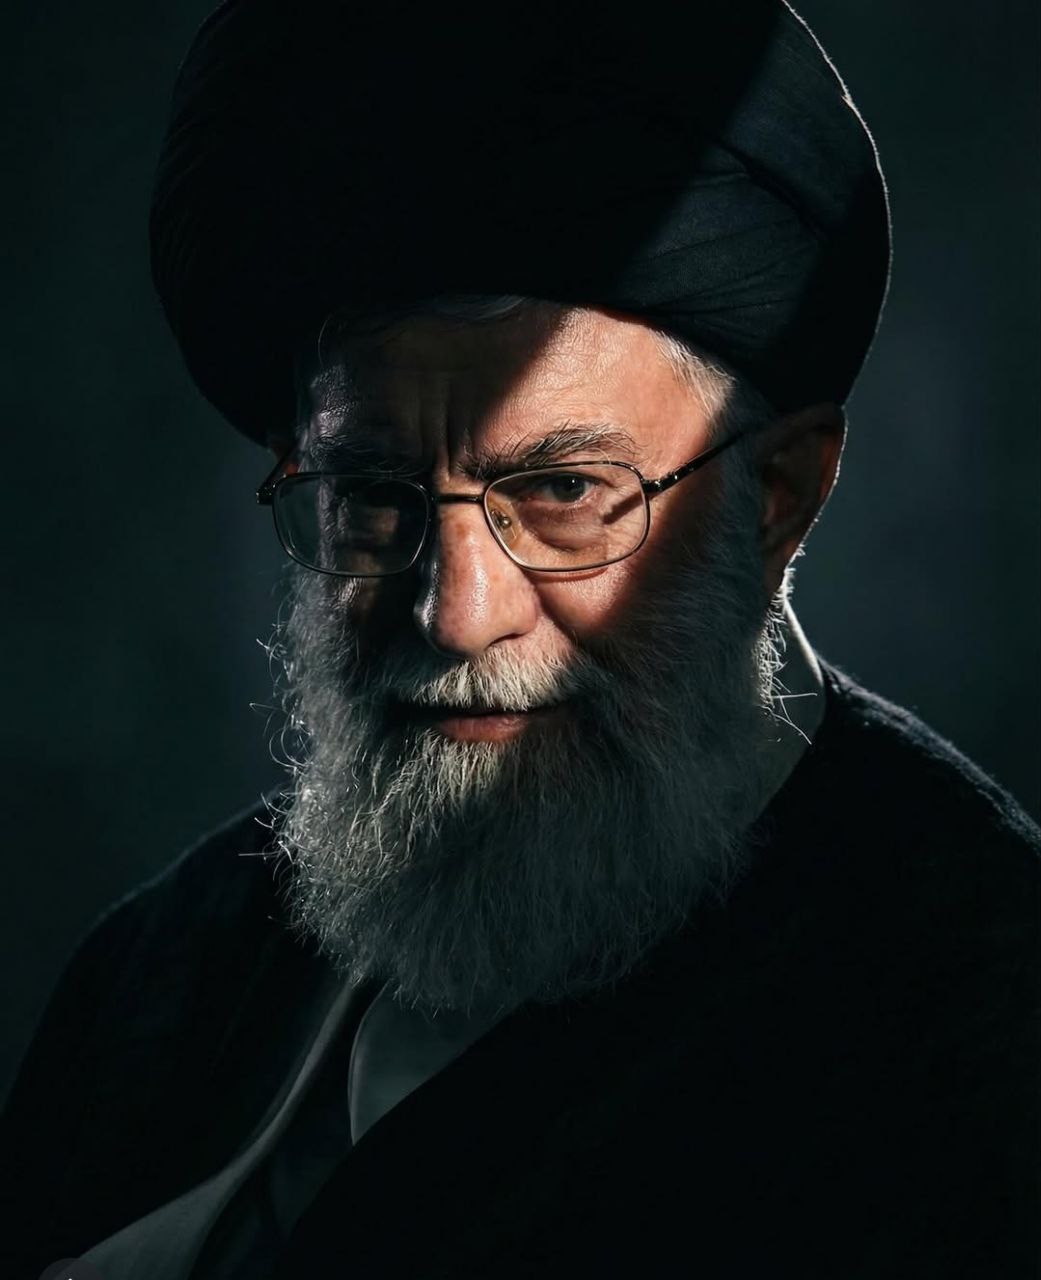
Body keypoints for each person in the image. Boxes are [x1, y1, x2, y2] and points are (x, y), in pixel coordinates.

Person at [3, 1, 1037, 1276]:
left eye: (561, 491)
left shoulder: (980, 1029)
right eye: (375, 493)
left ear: (778, 494)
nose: (455, 609)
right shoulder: (155, 981)